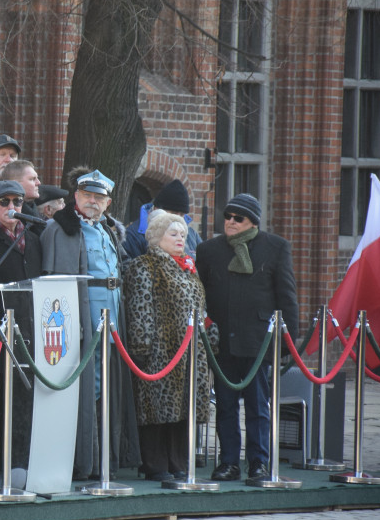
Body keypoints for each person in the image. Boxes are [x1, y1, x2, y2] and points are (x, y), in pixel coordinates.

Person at [39, 167, 140, 480]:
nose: (93, 202)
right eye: (87, 195)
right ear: (76, 197)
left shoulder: (107, 229)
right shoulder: (62, 229)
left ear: (108, 203)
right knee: (90, 386)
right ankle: (87, 457)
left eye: (99, 197)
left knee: (105, 385)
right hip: (84, 319)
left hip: (111, 319)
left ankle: (104, 456)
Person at [196, 194, 298, 481]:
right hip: (222, 342)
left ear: (253, 221)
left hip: (257, 340)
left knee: (257, 406)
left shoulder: (275, 247)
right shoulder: (209, 250)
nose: (230, 222)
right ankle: (229, 461)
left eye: (237, 218)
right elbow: (200, 293)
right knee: (226, 406)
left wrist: (288, 340)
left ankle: (258, 462)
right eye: (227, 216)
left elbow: (286, 295)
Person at [122, 210, 217, 481]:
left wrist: (211, 339)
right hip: (159, 353)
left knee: (182, 410)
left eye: (183, 235)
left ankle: (178, 461)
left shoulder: (188, 267)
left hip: (190, 352)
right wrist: (142, 347)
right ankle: (154, 464)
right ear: (156, 236)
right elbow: (140, 310)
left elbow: (202, 308)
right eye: (173, 233)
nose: (180, 238)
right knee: (157, 410)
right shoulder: (144, 266)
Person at [0, 180, 44, 471]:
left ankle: (16, 460)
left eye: (17, 202)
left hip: (26, 330)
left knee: (22, 398)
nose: (12, 207)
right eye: (5, 202)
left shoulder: (34, 237)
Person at [123, 179, 202, 259]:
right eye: (173, 213)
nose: (178, 219)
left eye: (181, 215)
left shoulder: (192, 235)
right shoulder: (133, 236)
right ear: (156, 210)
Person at [0, 159, 45, 234]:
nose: (38, 183)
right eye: (32, 179)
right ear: (15, 183)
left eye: (37, 178)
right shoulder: (7, 217)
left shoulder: (33, 208)